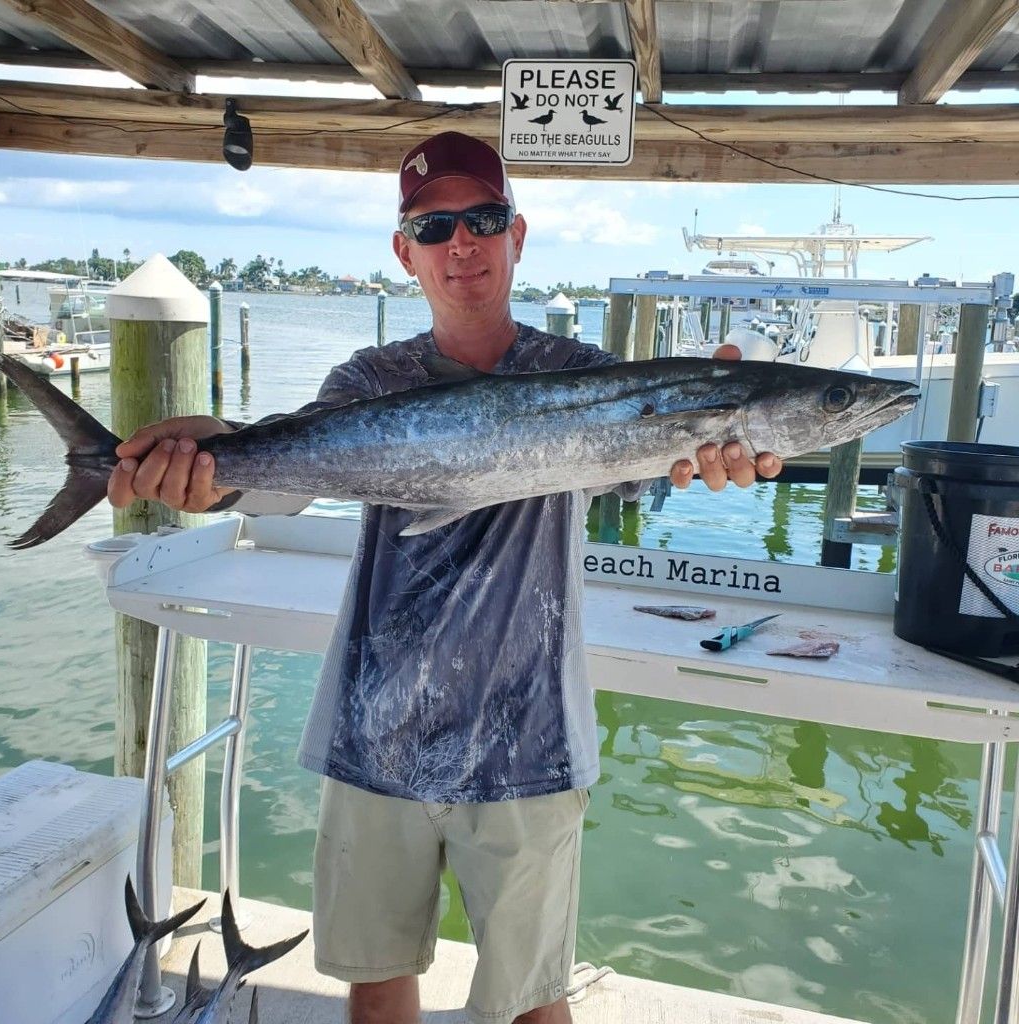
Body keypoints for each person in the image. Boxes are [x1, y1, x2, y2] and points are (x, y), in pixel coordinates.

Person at [107, 132, 783, 1024]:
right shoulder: (366, 378)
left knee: (533, 1002)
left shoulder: (581, 374)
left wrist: (707, 450)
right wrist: (213, 460)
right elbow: (279, 484)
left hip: (530, 740)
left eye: (484, 218)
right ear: (405, 250)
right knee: (379, 984)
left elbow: (651, 460)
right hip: (373, 731)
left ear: (517, 235)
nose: (461, 242)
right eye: (435, 226)